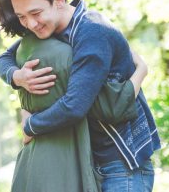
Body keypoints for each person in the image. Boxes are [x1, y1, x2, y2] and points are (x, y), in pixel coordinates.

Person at [0, 0, 160, 192]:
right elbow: (3, 59)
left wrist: (29, 126)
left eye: (35, 13)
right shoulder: (50, 30)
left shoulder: (92, 32)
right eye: (22, 17)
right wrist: (16, 77)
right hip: (86, 161)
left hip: (121, 163)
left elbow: (74, 105)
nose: (30, 24)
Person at [11, 33, 149, 192]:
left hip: (118, 164)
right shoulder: (70, 52)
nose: (36, 24)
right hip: (110, 163)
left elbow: (3, 58)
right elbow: (111, 107)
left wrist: (30, 124)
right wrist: (141, 70)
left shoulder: (24, 52)